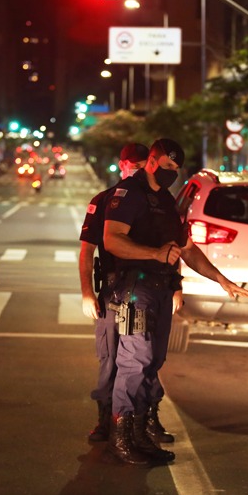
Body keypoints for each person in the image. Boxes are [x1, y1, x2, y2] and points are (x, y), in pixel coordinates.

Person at [103, 138, 248, 466]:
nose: (172, 173)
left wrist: (221, 278)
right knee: (135, 361)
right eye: (167, 167)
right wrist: (153, 253)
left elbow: (186, 248)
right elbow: (112, 239)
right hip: (134, 288)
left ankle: (140, 434)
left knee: (153, 361)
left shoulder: (166, 200)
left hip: (159, 288)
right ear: (152, 162)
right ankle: (121, 436)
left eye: (176, 169)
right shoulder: (130, 193)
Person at [79, 142, 179, 445]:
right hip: (114, 291)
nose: (136, 169)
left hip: (146, 290)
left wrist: (177, 287)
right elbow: (87, 252)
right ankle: (107, 422)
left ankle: (144, 420)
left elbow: (172, 248)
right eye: (131, 164)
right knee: (111, 359)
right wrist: (87, 293)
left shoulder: (156, 200)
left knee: (144, 358)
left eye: (140, 164)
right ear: (122, 166)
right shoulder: (107, 200)